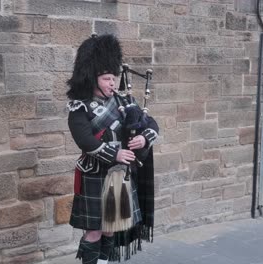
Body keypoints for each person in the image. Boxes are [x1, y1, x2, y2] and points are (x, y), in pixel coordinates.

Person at [66, 34, 159, 264]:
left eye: (114, 77)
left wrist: (144, 140)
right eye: (107, 78)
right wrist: (115, 153)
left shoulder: (123, 101)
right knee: (94, 232)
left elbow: (152, 124)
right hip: (95, 175)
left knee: (110, 229)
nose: (112, 83)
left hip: (119, 176)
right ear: (92, 77)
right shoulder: (80, 106)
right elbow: (85, 140)